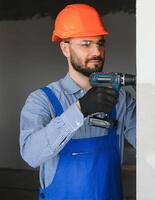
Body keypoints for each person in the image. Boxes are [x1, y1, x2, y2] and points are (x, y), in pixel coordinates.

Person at [19, 3, 136, 200]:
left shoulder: (120, 98)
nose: (97, 52)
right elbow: (31, 155)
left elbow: (151, 143)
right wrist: (79, 110)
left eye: (100, 43)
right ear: (65, 48)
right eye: (86, 44)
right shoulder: (41, 100)